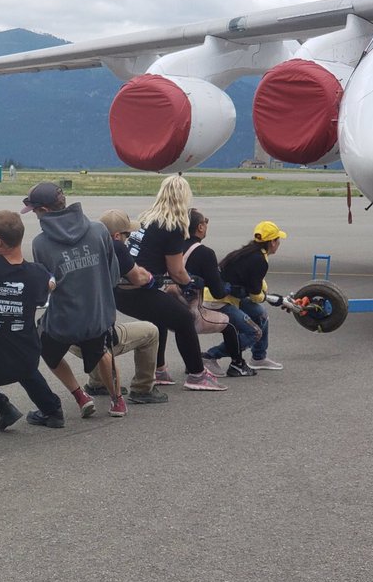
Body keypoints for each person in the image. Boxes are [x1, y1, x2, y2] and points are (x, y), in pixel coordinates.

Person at [23, 181, 128, 418]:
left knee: (46, 350)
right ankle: (118, 401)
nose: (35, 216)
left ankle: (80, 395)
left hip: (64, 320)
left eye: (36, 211)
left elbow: (46, 287)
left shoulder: (40, 243)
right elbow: (113, 274)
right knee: (102, 351)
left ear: (45, 211)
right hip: (98, 313)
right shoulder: (99, 230)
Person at [0, 210, 65, 430]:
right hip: (24, 350)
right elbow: (47, 286)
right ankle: (53, 410)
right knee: (29, 373)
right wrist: (51, 279)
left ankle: (3, 407)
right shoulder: (38, 274)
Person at [127, 175, 226, 391]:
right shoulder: (172, 226)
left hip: (123, 286)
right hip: (139, 286)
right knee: (183, 319)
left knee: (160, 318)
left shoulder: (147, 218)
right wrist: (190, 283)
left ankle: (159, 369)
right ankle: (197, 375)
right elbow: (177, 270)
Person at [82, 210, 168, 405]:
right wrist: (153, 279)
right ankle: (143, 389)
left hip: (67, 332)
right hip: (95, 334)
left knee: (95, 328)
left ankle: (97, 382)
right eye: (127, 235)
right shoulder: (116, 248)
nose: (129, 239)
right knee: (151, 332)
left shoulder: (86, 248)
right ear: (117, 236)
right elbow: (139, 277)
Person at [182, 208, 256, 378]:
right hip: (191, 311)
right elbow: (218, 292)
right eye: (205, 221)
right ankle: (238, 364)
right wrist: (230, 288)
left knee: (181, 329)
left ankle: (166, 368)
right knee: (229, 325)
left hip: (170, 308)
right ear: (200, 227)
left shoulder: (174, 246)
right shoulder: (204, 253)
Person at [217, 220, 288, 370]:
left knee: (261, 314)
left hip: (232, 295)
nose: (279, 243)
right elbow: (255, 295)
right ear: (272, 243)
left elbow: (257, 281)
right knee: (254, 333)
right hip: (221, 299)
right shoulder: (259, 260)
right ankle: (210, 356)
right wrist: (268, 298)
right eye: (278, 239)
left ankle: (258, 357)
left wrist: (265, 293)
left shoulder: (251, 252)